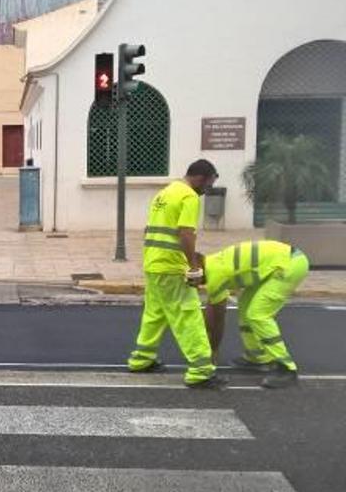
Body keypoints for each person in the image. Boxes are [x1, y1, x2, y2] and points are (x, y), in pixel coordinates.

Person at [126, 159, 226, 389]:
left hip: (153, 263)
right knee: (188, 315)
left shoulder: (165, 193)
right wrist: (193, 266)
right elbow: (186, 233)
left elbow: (148, 230)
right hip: (171, 266)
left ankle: (142, 359)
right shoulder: (188, 196)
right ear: (201, 178)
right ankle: (201, 370)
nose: (206, 191)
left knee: (155, 313)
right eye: (208, 185)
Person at [200, 240, 308, 389]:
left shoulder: (215, 275)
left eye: (189, 278)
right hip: (281, 261)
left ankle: (287, 368)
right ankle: (257, 357)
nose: (190, 283)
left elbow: (216, 318)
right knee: (245, 307)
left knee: (258, 315)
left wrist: (212, 351)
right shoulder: (212, 262)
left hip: (289, 265)